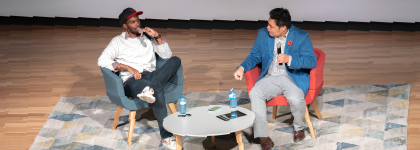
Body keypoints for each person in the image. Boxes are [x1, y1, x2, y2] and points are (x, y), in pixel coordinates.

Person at [233, 7, 317, 149]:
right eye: (268, 24)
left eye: (271, 26)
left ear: (283, 28)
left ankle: (299, 128)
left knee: (296, 99)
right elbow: (254, 56)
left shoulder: (302, 36)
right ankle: (263, 136)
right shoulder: (262, 34)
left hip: (291, 78)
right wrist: (241, 68)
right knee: (255, 93)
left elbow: (311, 61)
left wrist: (290, 59)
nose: (268, 28)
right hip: (270, 76)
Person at [97, 7, 181, 149]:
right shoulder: (117, 41)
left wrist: (157, 36)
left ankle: (151, 88)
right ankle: (166, 137)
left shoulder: (147, 37)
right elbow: (102, 60)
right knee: (158, 90)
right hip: (132, 79)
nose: (137, 24)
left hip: (151, 75)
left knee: (175, 60)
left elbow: (166, 55)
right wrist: (127, 67)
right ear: (125, 25)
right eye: (133, 22)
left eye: (138, 21)